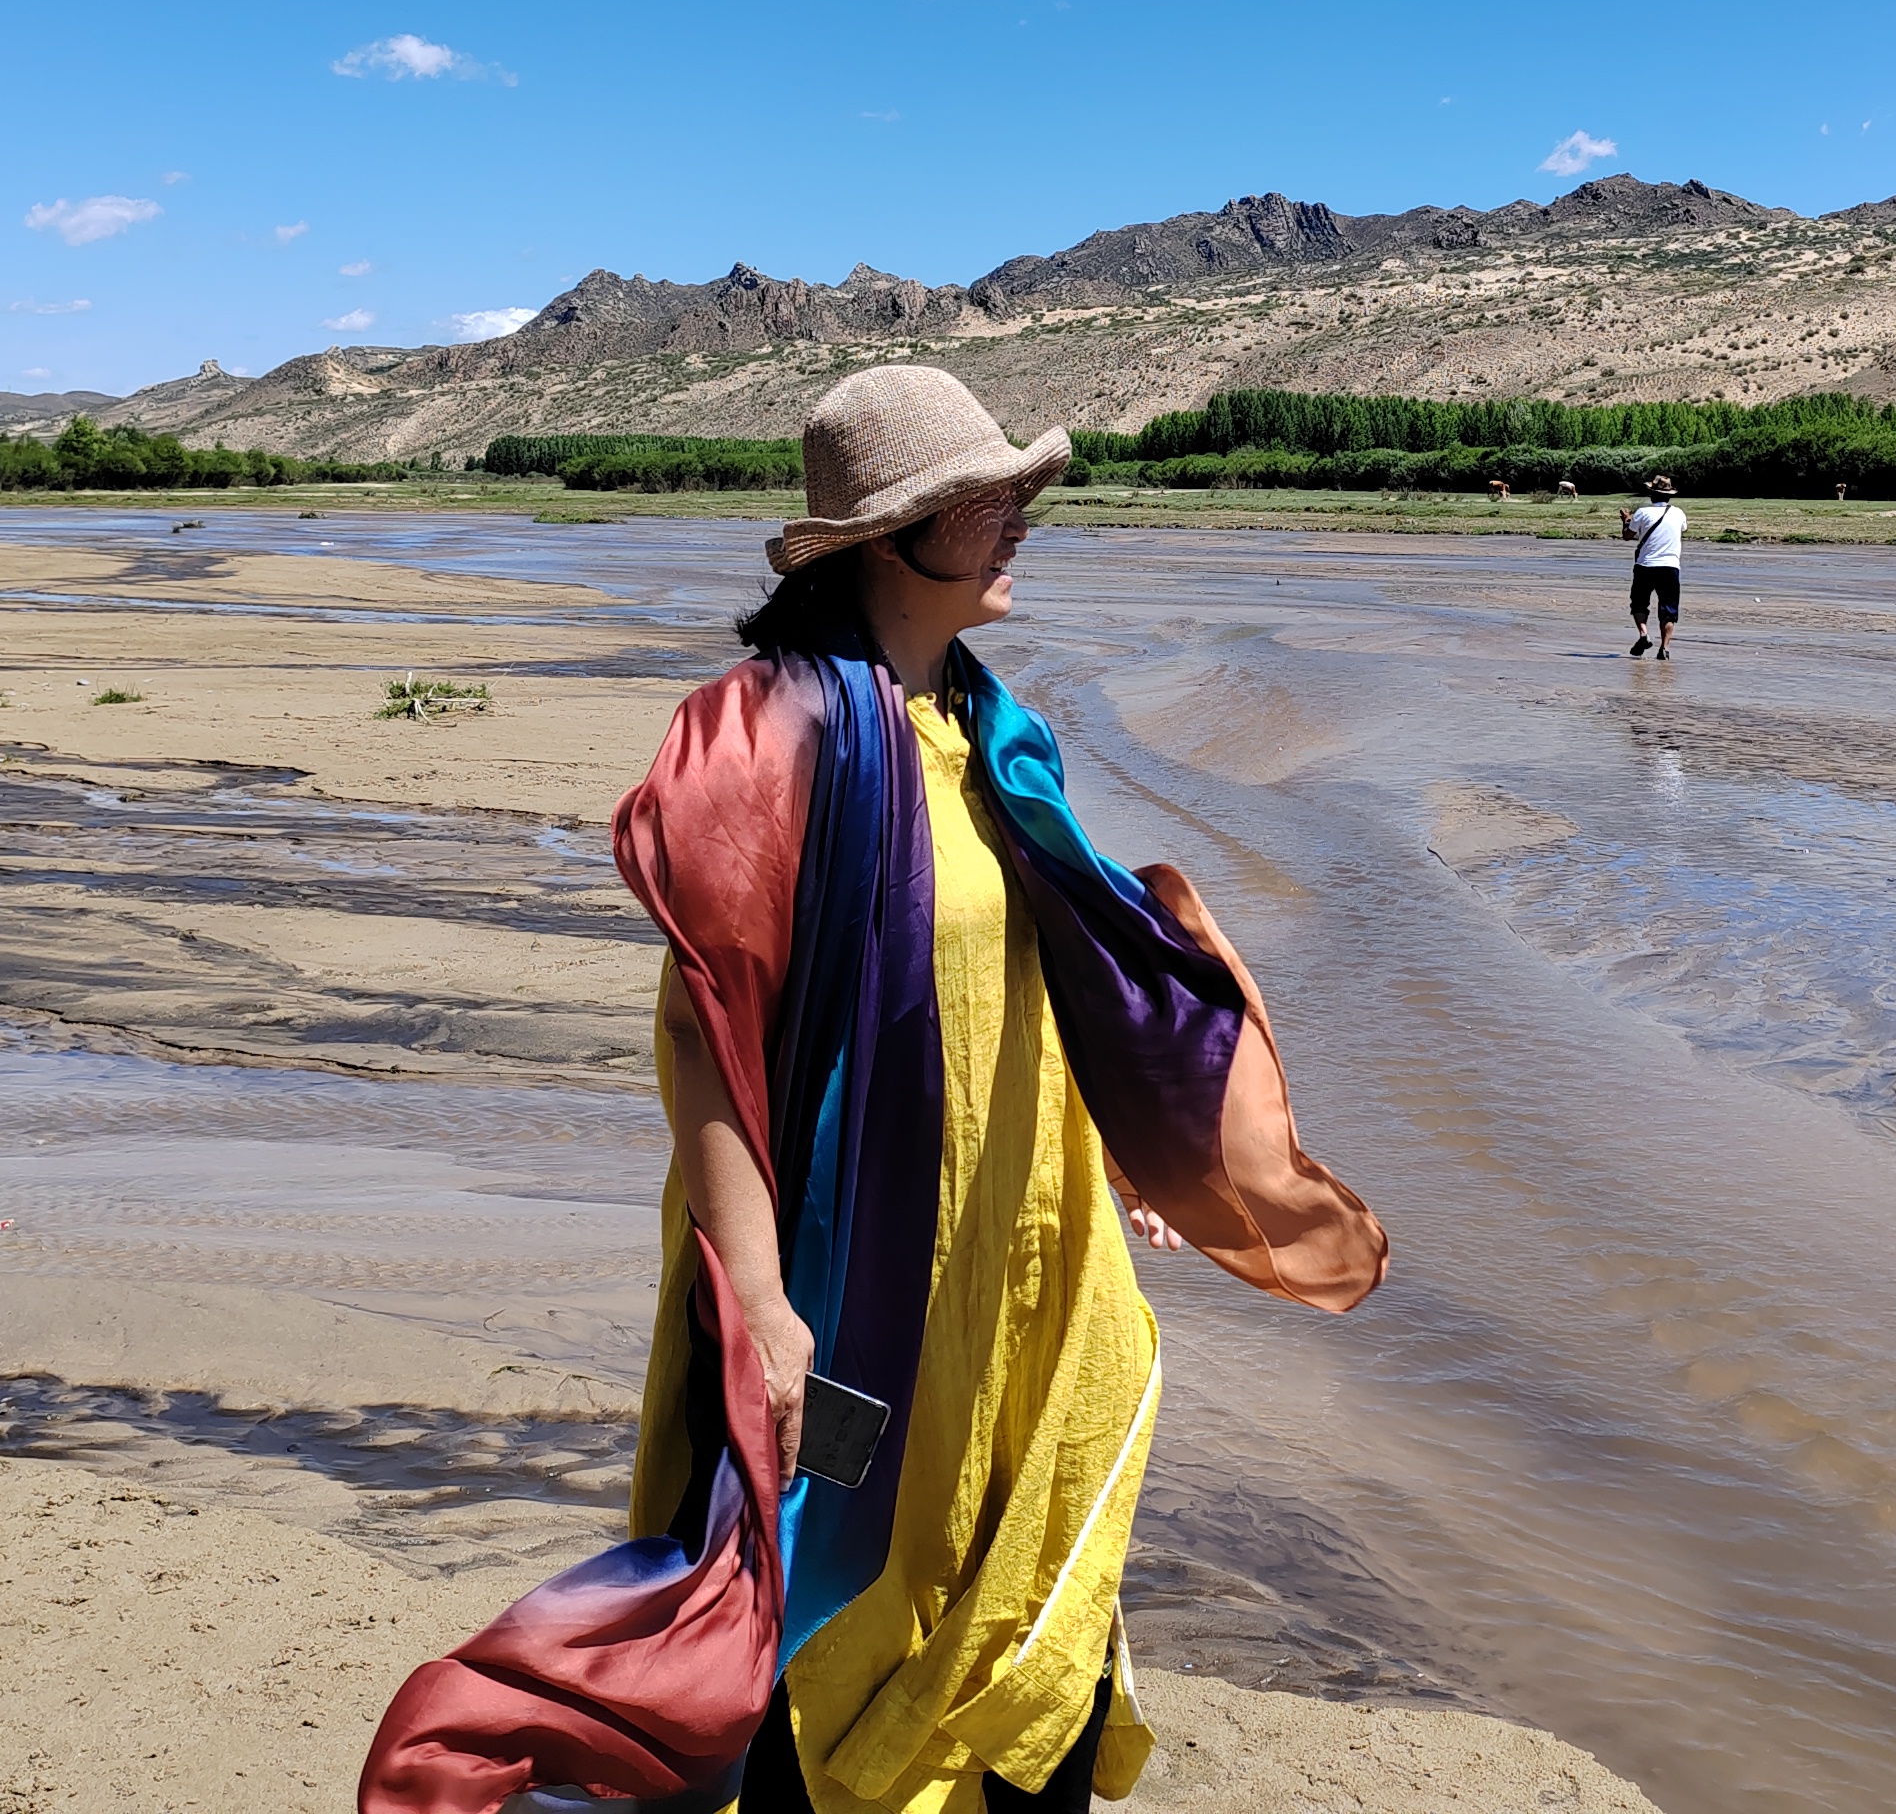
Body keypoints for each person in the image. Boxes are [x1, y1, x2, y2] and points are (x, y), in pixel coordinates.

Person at [360, 364, 1386, 1814]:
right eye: (989, 502)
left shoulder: (992, 734)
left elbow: (1028, 986)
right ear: (895, 539)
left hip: (1029, 1263)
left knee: (1025, 1594)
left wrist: (1103, 1155)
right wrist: (764, 1303)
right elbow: (704, 1043)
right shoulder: (763, 740)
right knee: (828, 1590)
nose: (1022, 522)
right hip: (854, 1272)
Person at [1620, 473, 1684, 658]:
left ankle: (1644, 634)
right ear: (1669, 495)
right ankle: (1664, 648)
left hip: (1645, 566)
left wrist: (1626, 521)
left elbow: (1627, 536)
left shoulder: (1642, 513)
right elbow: (1683, 529)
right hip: (1670, 566)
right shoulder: (1679, 513)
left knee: (1639, 604)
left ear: (1652, 494)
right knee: (1669, 609)